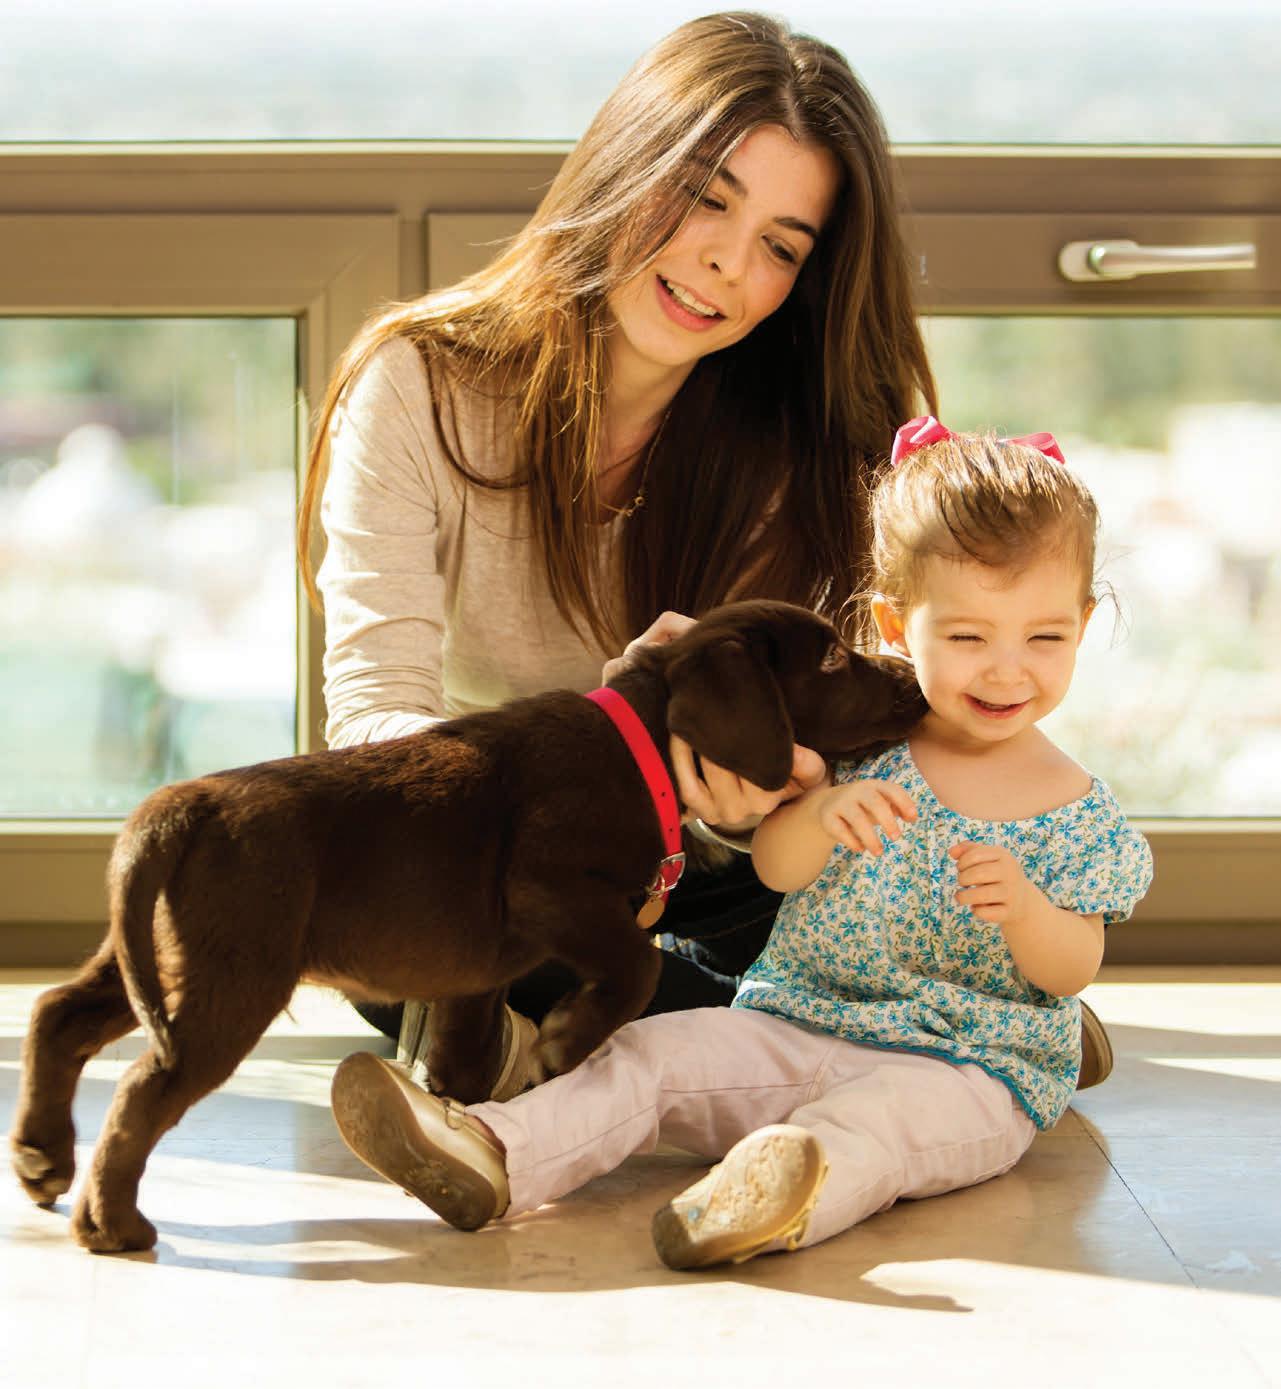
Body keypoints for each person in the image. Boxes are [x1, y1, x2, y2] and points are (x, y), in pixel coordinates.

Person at [297, 11, 990, 1095]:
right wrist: (591, 748)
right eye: (706, 197)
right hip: (505, 848)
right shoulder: (419, 381)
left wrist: (771, 789)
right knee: (381, 907)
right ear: (628, 162)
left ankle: (695, 1043)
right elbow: (374, 716)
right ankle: (910, 1038)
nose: (725, 261)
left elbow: (848, 735)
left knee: (864, 873)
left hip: (713, 862)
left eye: (779, 246)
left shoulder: (795, 447)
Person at [329, 418, 1153, 1270]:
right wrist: (818, 813)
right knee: (651, 1053)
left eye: (1043, 637)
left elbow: (1071, 969)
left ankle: (763, 1193)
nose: (1006, 669)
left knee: (875, 1128)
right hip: (795, 1026)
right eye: (967, 637)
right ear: (895, 624)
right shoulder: (860, 746)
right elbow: (774, 869)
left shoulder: (1073, 807)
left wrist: (1025, 911)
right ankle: (492, 1149)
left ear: (1083, 624)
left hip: (968, 1073)